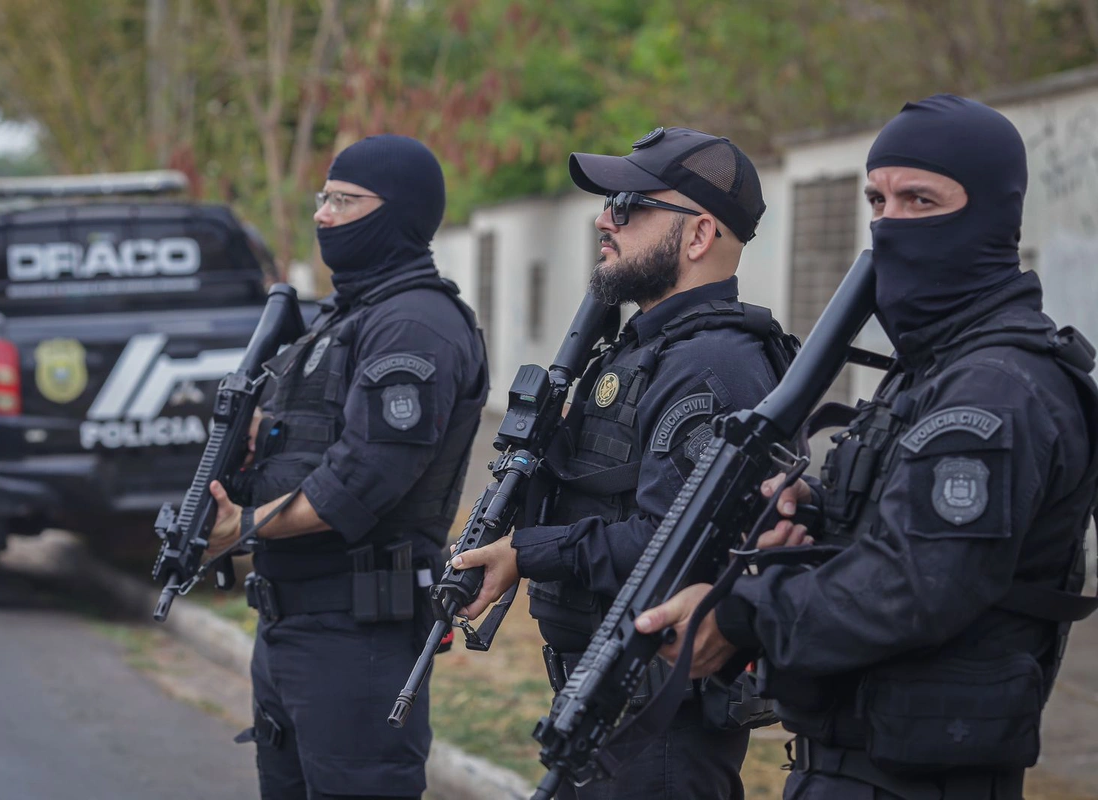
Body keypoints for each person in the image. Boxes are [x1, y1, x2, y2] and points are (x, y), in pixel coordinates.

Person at [637, 95, 1098, 800]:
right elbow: (909, 533)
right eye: (877, 200)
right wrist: (817, 516)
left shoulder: (996, 389)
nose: (889, 225)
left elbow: (915, 587)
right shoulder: (935, 367)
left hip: (918, 776)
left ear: (993, 216)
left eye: (920, 199)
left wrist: (738, 616)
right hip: (858, 758)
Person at [451, 126, 797, 799]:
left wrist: (527, 550)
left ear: (698, 237)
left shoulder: (712, 365)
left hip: (659, 725)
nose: (606, 219)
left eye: (632, 204)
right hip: (611, 701)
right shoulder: (643, 348)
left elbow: (672, 547)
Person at [207, 134, 489, 800]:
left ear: (400, 212)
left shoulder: (415, 324)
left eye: (344, 199)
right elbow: (305, 452)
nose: (322, 215)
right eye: (321, 198)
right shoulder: (336, 322)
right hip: (290, 628)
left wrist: (242, 524)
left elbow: (359, 483)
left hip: (356, 637)